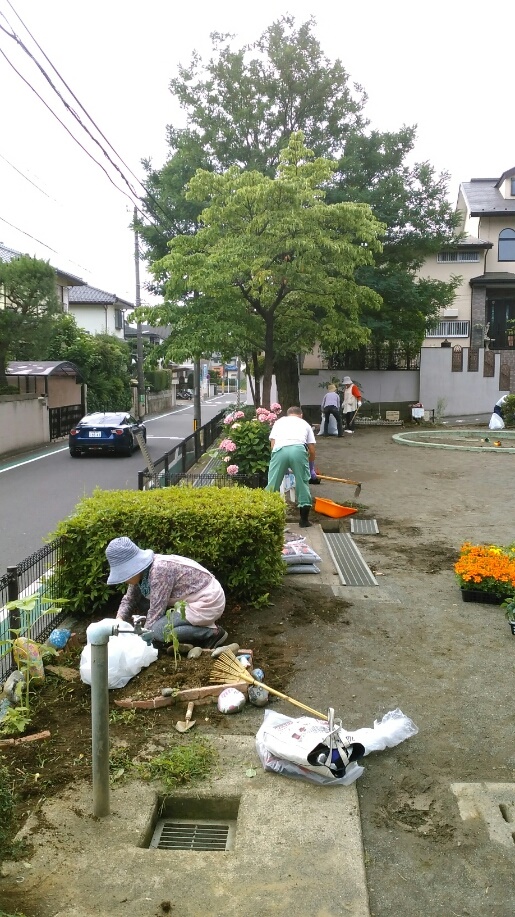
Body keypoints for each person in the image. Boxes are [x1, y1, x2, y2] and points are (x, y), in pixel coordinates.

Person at [105, 536, 228, 649]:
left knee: (158, 631)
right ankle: (191, 631)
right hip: (191, 599)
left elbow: (155, 613)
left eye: (124, 574)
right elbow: (130, 599)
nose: (124, 579)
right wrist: (118, 621)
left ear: (133, 567)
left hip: (208, 600)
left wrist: (142, 642)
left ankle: (212, 633)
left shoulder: (159, 571)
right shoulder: (142, 572)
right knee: (144, 605)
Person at [265, 406, 316, 527]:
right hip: (298, 450)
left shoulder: (279, 422)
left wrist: (283, 464)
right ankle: (304, 521)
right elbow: (312, 450)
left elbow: (273, 445)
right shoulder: (305, 424)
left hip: (280, 450)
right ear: (301, 415)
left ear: (288, 415)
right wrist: (310, 467)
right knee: (302, 483)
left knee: (272, 484)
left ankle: (266, 518)